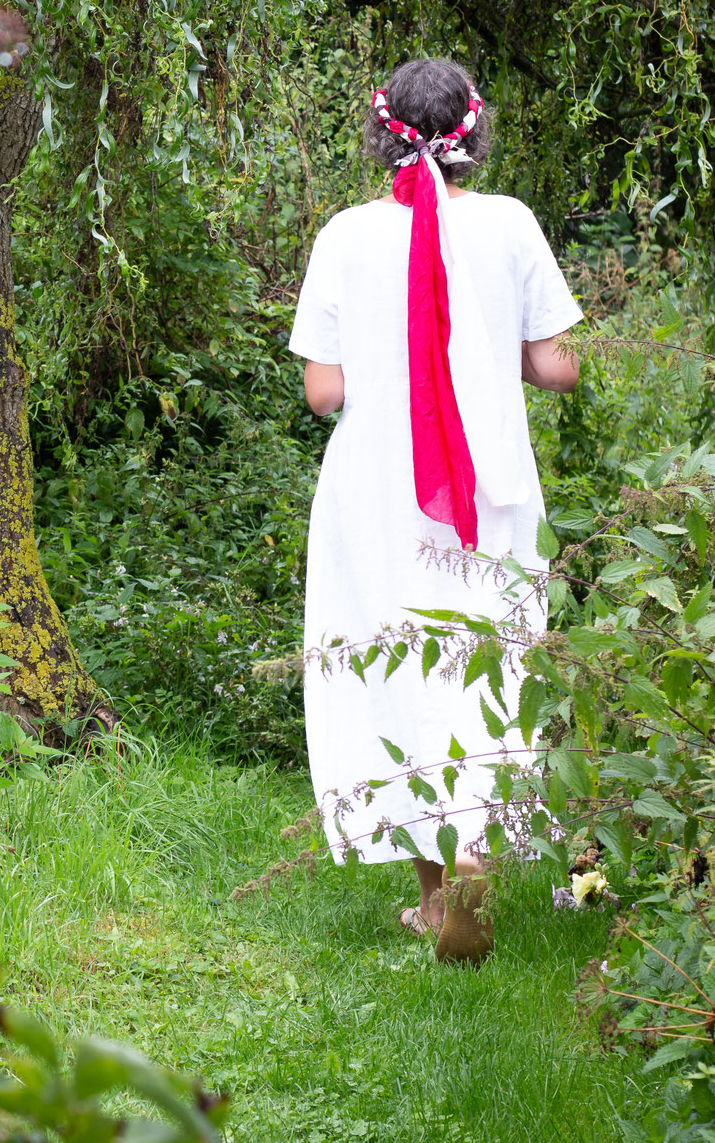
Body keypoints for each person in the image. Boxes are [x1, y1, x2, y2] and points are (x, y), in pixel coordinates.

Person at [287, 58, 582, 964]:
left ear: (383, 134)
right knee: (483, 663)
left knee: (398, 665)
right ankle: (477, 857)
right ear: (473, 135)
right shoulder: (512, 225)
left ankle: (432, 897)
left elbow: (323, 393)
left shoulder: (343, 235)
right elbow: (557, 366)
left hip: (377, 493)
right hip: (488, 489)